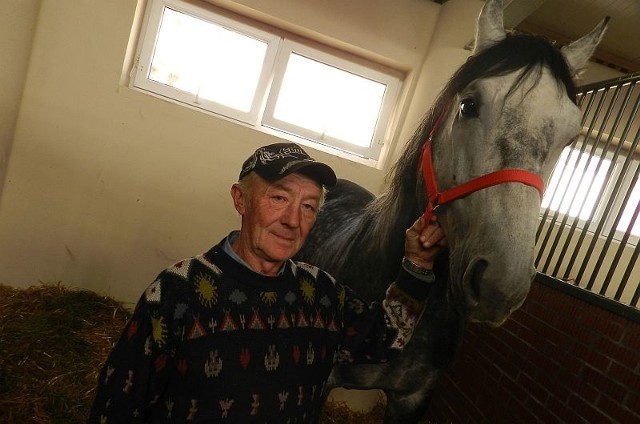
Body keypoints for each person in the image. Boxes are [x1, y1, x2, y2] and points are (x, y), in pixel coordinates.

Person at [88, 142, 446, 423]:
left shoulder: (321, 293)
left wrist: (417, 263)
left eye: (308, 207)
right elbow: (119, 403)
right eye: (279, 198)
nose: (293, 220)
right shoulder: (176, 292)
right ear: (240, 200)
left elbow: (382, 341)